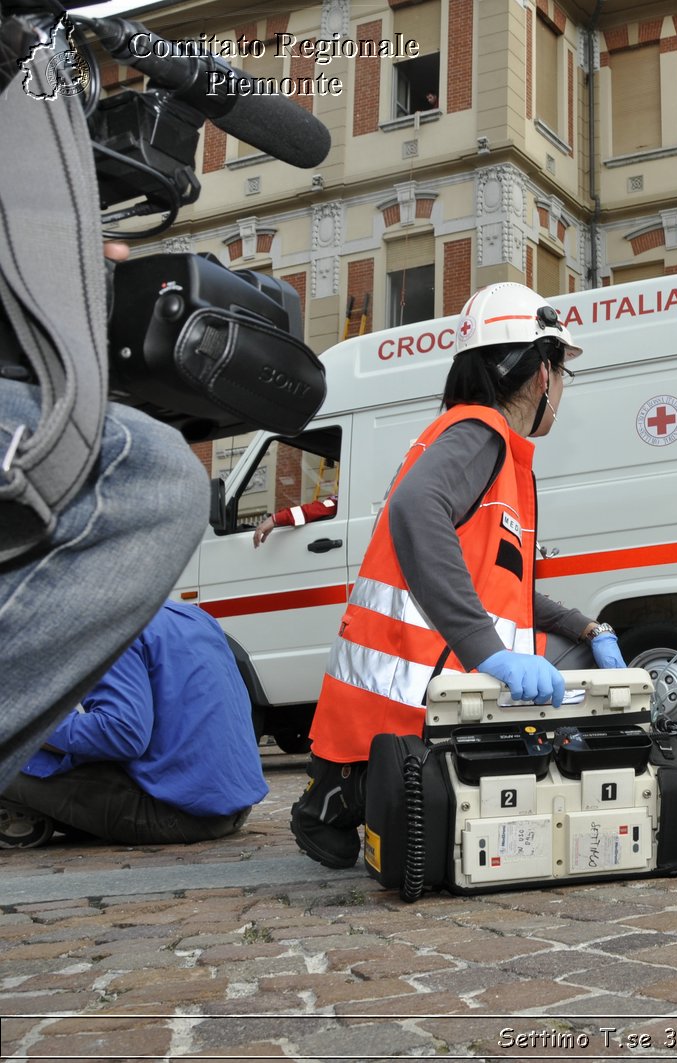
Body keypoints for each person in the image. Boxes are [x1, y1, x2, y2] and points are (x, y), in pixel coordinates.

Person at [291, 283, 626, 870]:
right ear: (542, 373)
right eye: (563, 371)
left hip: (404, 706)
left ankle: (348, 796)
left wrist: (588, 627)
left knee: (575, 655)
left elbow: (503, 586)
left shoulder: (474, 441)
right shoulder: (480, 434)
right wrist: (488, 652)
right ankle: (349, 797)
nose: (564, 388)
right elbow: (415, 511)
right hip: (408, 714)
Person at [0, 37, 209, 791]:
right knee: (143, 477)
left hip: (175, 808)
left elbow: (122, 728)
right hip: (203, 807)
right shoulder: (164, 619)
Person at [1, 601, 267, 848]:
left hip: (181, 816)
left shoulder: (110, 629)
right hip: (233, 808)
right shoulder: (191, 615)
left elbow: (122, 734)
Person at [253, 492, 338, 547]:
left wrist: (275, 519)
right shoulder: (340, 501)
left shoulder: (336, 503)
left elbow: (310, 511)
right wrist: (277, 519)